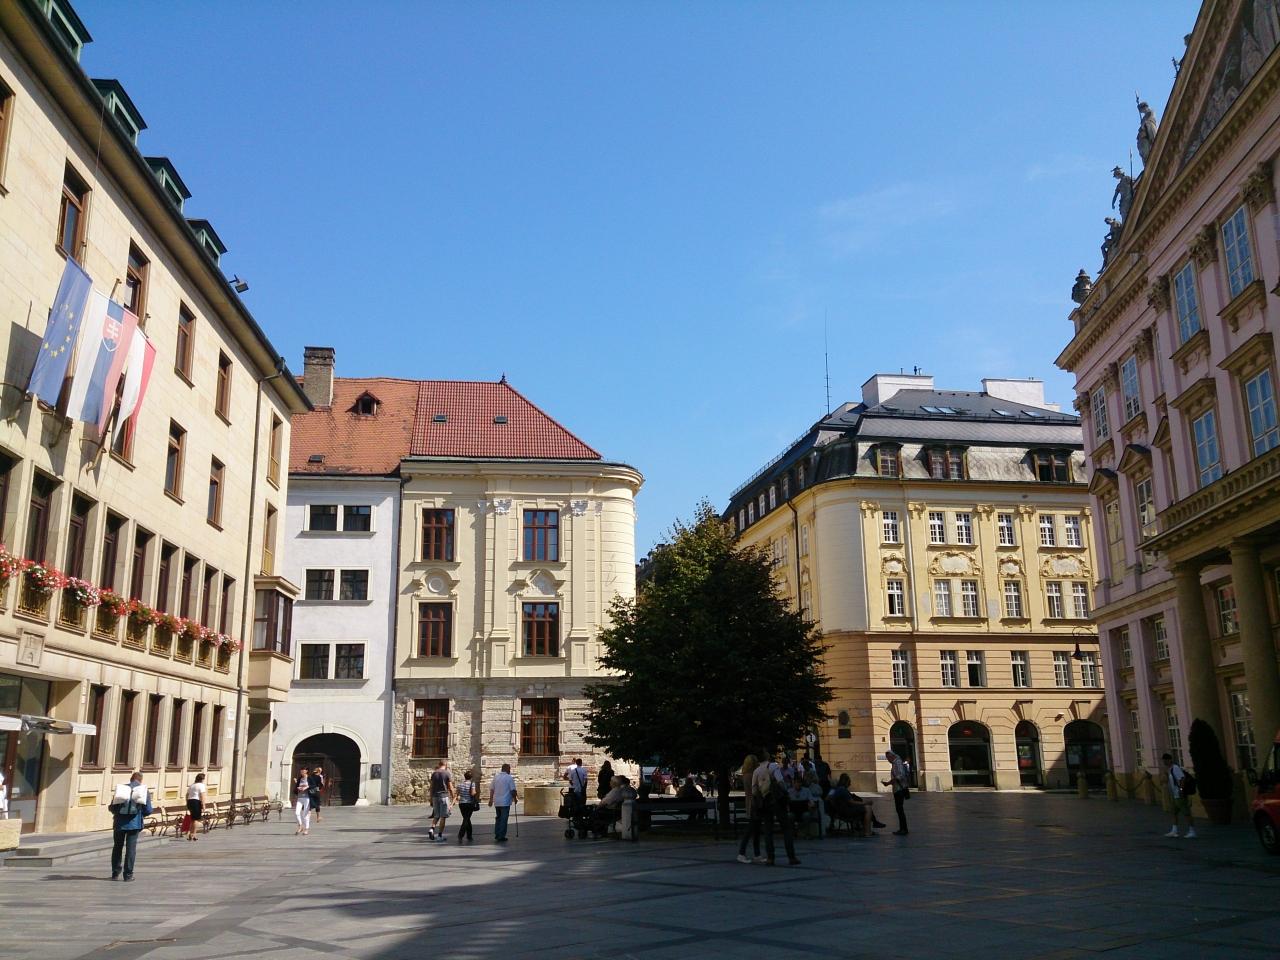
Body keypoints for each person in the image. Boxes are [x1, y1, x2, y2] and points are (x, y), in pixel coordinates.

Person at [109, 771, 153, 881]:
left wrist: (118, 813)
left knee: (117, 847)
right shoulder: (143, 790)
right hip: (134, 824)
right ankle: (128, 875)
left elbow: (112, 807)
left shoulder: (122, 789)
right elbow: (148, 810)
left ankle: (115, 873)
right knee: (131, 849)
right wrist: (140, 814)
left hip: (119, 823)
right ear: (141, 780)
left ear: (131, 779)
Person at [1163, 753, 1196, 839]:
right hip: (1174, 795)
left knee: (1186, 813)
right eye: (1163, 760)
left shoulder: (1175, 768)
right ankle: (1174, 831)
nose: (1164, 762)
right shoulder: (1169, 769)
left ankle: (1192, 831)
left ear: (1170, 760)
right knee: (1174, 812)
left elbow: (1182, 778)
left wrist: (1181, 790)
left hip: (1179, 794)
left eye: (1166, 760)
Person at [882, 750, 910, 835]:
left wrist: (889, 782)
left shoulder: (897, 763)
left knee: (900, 809)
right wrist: (889, 783)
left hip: (899, 789)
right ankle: (902, 828)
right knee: (899, 810)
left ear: (891, 756)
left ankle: (904, 829)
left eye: (888, 758)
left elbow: (900, 775)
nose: (888, 760)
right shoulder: (895, 763)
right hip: (897, 789)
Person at [488, 762, 518, 842]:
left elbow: (492, 789)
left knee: (498, 818)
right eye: (509, 769)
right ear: (507, 769)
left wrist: (490, 799)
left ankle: (497, 834)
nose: (510, 770)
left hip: (497, 802)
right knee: (504, 819)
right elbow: (513, 790)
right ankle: (501, 836)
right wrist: (515, 798)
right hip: (505, 802)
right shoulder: (509, 778)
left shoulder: (496, 777)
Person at [427, 759, 455, 842]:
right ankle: (439, 835)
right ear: (446, 765)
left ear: (439, 764)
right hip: (443, 796)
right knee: (443, 816)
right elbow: (450, 787)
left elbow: (431, 787)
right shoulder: (447, 773)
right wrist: (453, 796)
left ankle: (432, 829)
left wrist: (430, 798)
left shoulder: (434, 773)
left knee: (436, 815)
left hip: (435, 796)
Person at [456, 769, 479, 842]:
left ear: (464, 777)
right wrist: (475, 792)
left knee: (467, 819)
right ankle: (460, 835)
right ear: (471, 777)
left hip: (461, 804)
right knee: (466, 819)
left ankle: (469, 835)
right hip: (469, 803)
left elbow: (457, 794)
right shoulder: (472, 784)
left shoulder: (460, 784)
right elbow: (472, 793)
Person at [185, 773, 206, 842]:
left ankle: (190, 834)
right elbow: (202, 796)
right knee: (196, 819)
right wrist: (203, 805)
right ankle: (194, 834)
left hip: (190, 802)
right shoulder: (201, 785)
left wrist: (187, 803)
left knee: (192, 819)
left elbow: (187, 795)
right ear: (202, 779)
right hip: (196, 802)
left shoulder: (192, 785)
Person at [294, 767, 313, 835]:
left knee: (305, 815)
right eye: (301, 771)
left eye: (303, 771)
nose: (301, 772)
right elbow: (296, 787)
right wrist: (298, 788)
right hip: (300, 798)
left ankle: (306, 829)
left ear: (306, 771)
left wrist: (307, 787)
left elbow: (314, 786)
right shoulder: (300, 779)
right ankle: (300, 826)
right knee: (297, 813)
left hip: (307, 798)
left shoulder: (309, 778)